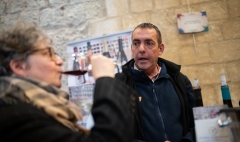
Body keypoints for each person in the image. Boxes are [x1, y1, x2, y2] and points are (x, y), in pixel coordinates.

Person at [0, 22, 136, 142]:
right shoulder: (16, 116)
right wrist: (105, 79)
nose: (59, 61)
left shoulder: (34, 107)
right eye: (48, 53)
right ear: (19, 66)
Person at [115, 23, 195, 142]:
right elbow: (115, 133)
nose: (141, 49)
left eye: (149, 43)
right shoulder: (118, 85)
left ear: (160, 49)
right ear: (132, 48)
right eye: (136, 43)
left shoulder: (180, 80)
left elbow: (196, 124)